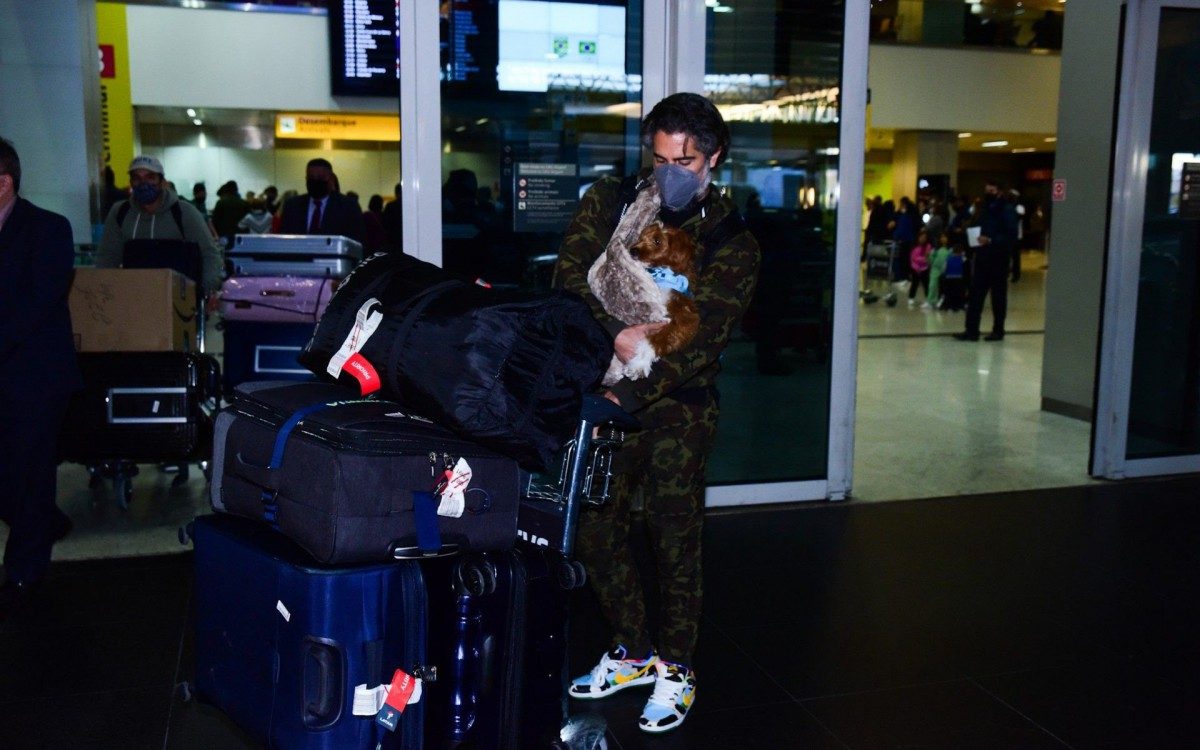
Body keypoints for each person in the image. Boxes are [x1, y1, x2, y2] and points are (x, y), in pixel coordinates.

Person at [553, 92, 760, 734]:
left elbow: (703, 338)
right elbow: (568, 280)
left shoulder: (731, 240)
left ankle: (676, 667)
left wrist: (633, 386)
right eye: (661, 154)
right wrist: (614, 333)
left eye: (686, 158)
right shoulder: (611, 204)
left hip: (680, 410)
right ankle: (633, 649)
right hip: (605, 390)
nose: (671, 168)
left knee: (674, 540)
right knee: (594, 527)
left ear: (713, 158)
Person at [0, 137, 81, 617]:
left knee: (29, 472)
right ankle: (45, 521)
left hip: (34, 376)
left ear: (5, 182)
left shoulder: (48, 229)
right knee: (13, 481)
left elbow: (38, 302)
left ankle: (25, 571)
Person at [96, 155, 224, 299]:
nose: (143, 183)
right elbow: (107, 257)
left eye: (150, 177)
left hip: (180, 301)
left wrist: (205, 293)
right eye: (137, 178)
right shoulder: (120, 213)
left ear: (162, 182)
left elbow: (209, 254)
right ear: (131, 182)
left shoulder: (185, 213)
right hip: (134, 299)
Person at [955, 181, 1018, 341]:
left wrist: (990, 240)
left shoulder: (1007, 210)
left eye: (991, 190)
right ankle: (971, 330)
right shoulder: (985, 210)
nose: (988, 193)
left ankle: (998, 330)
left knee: (998, 297)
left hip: (998, 259)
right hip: (983, 258)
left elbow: (1011, 236)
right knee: (975, 295)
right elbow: (978, 228)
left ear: (999, 192)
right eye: (986, 190)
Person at [278, 158, 365, 243]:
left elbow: (357, 242)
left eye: (321, 178)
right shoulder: (292, 206)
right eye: (311, 177)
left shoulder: (348, 207)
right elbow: (283, 239)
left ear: (331, 179)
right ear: (306, 178)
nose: (315, 181)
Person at [907, 229, 933, 307]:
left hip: (924, 269)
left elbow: (927, 258)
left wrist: (921, 259)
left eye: (924, 237)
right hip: (915, 268)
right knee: (914, 284)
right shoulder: (914, 246)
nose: (922, 239)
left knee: (926, 284)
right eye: (921, 237)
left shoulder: (928, 246)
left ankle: (928, 300)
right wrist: (919, 261)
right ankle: (911, 297)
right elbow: (913, 257)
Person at [927, 232, 953, 309]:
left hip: (946, 270)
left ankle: (943, 301)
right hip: (935, 269)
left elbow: (951, 259)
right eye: (941, 237)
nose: (943, 239)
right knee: (932, 285)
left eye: (945, 237)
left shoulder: (950, 249)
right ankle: (931, 301)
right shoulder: (935, 249)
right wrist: (928, 258)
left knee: (945, 287)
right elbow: (931, 259)